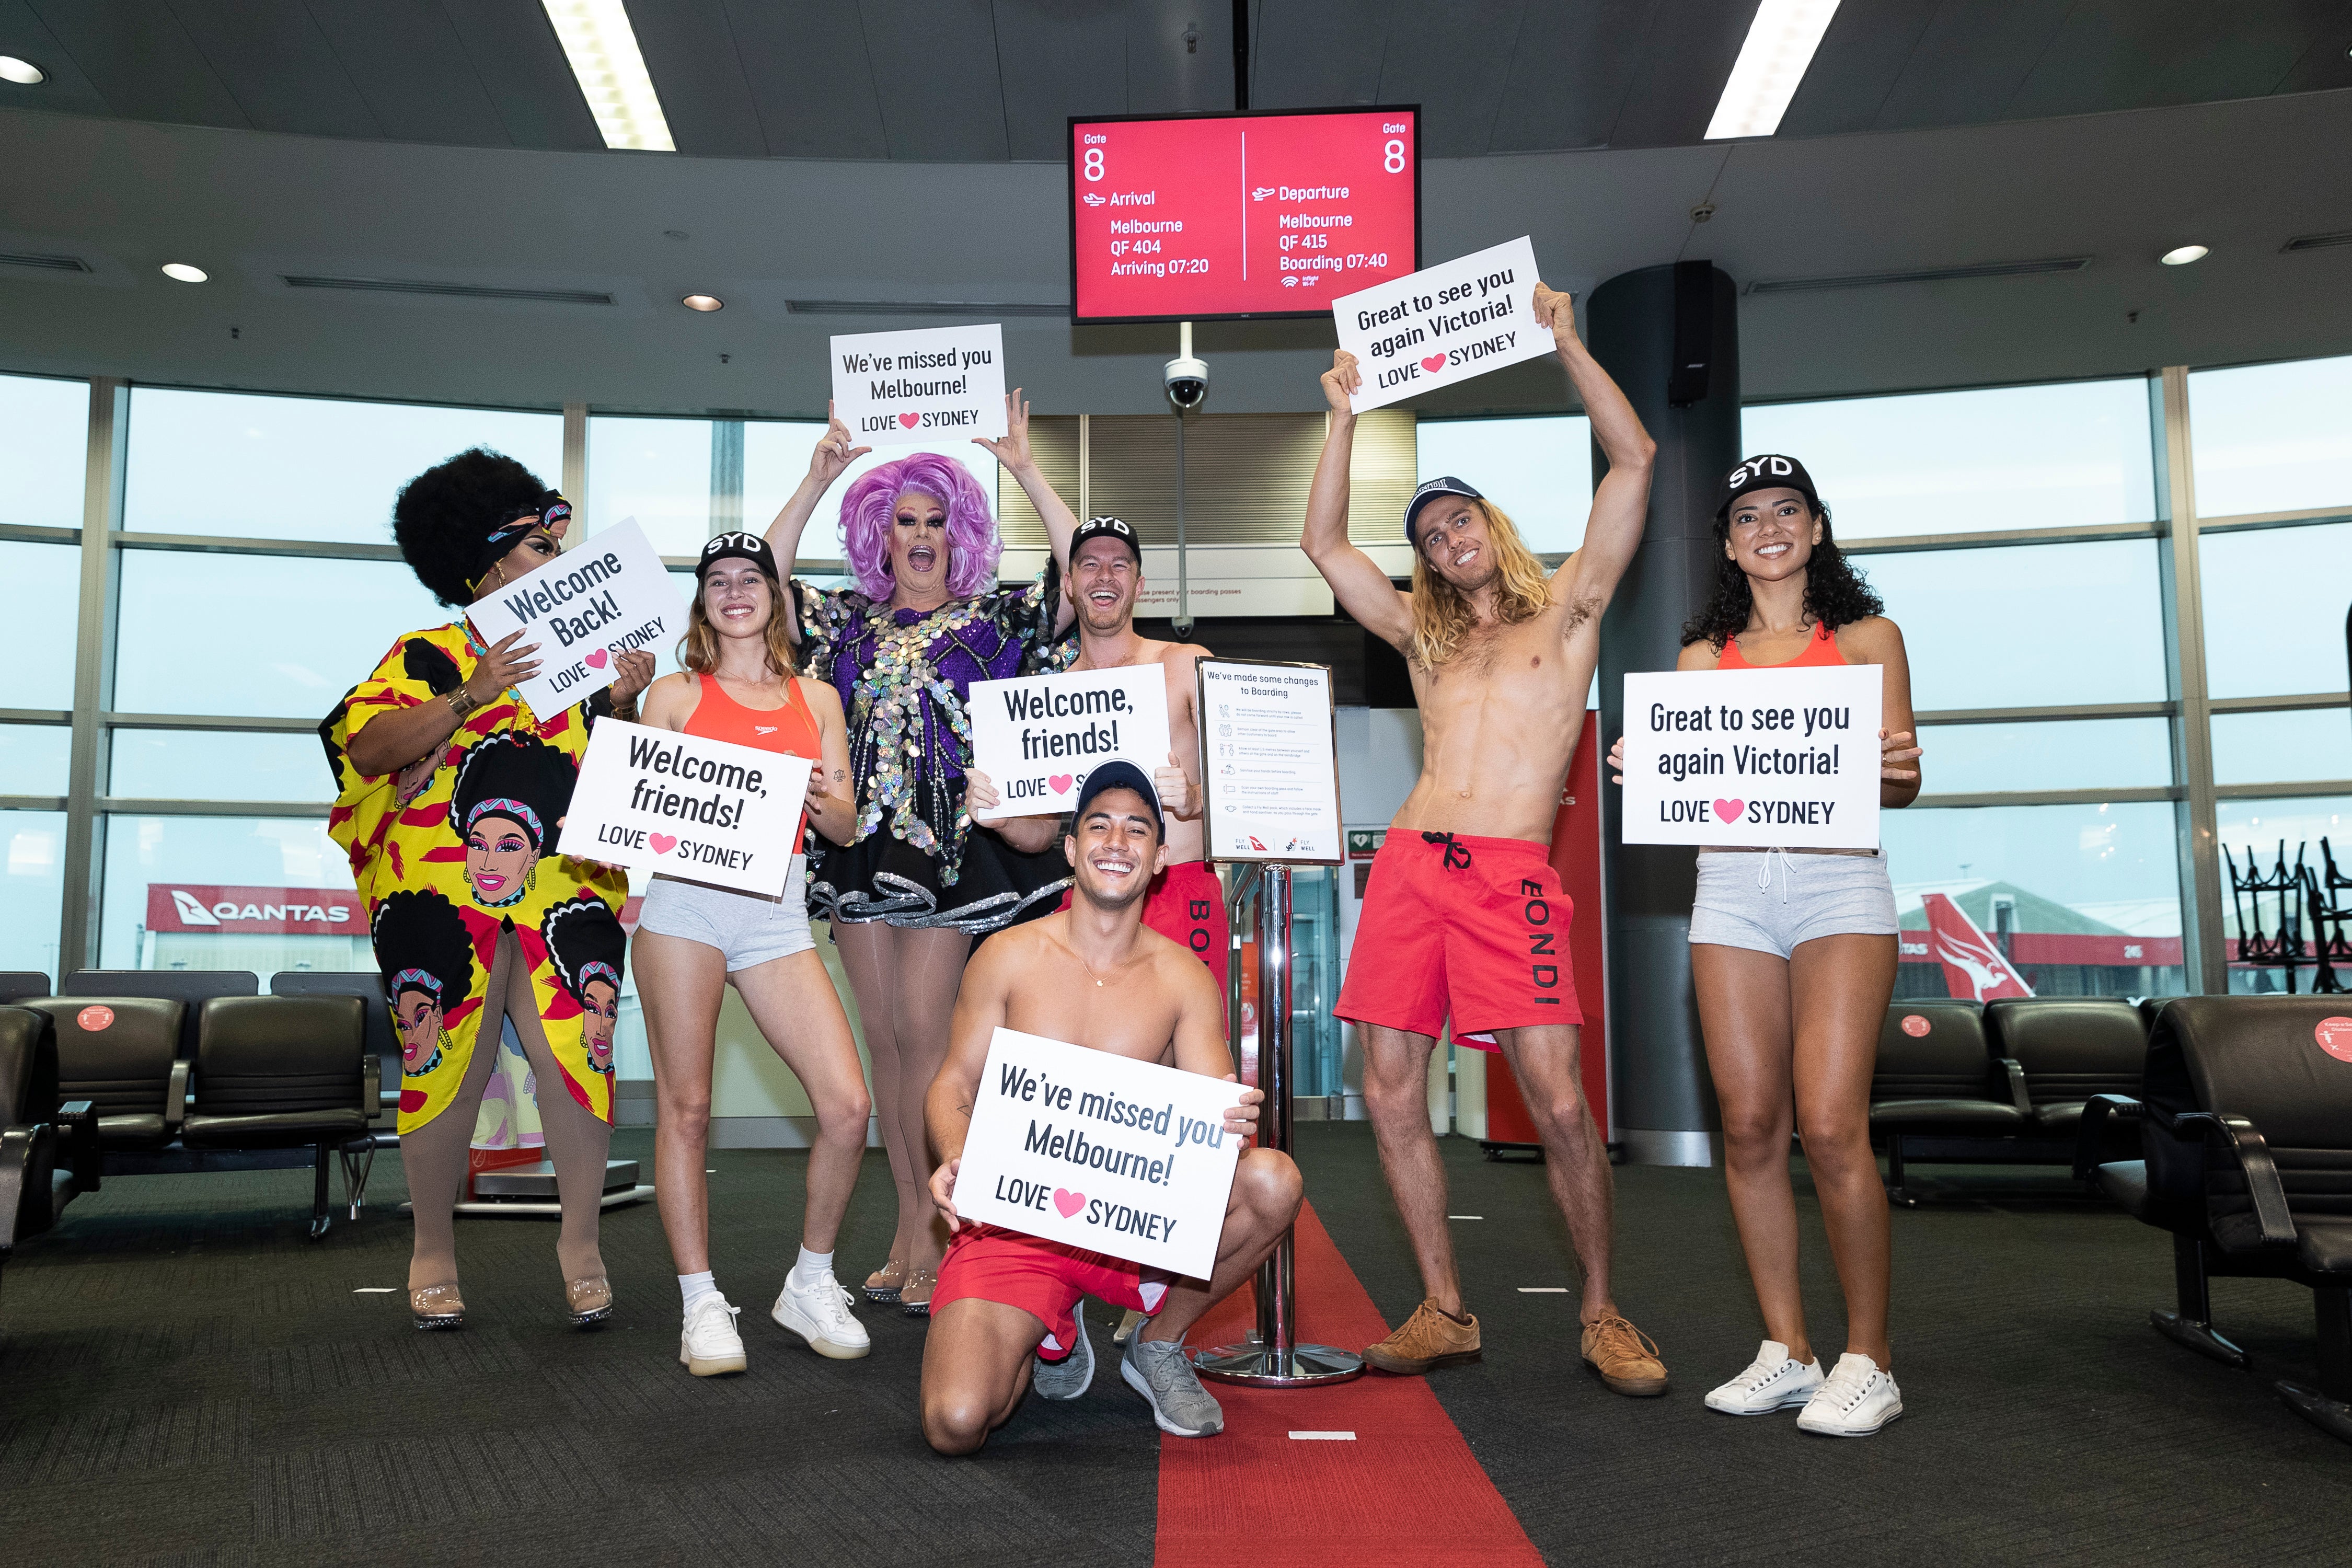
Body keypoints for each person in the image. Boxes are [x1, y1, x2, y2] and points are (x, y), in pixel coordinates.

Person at [1299, 286, 1670, 1394]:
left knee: (1557, 1098)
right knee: (1392, 1087)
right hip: (1413, 866)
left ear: (1490, 525)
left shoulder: (1572, 613)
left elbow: (1638, 460)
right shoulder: (1424, 641)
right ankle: (1444, 1308)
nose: (1444, 540)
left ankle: (1603, 1312)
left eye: (1456, 519)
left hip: (1512, 877)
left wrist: (1565, 343)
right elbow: (1321, 542)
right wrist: (1344, 412)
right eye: (1426, 536)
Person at [1609, 454, 1921, 1437]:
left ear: (1817, 529)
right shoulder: (1703, 659)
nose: (1769, 527)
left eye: (1788, 510)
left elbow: (1903, 782)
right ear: (1731, 544)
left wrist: (1898, 768)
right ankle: (1788, 1349)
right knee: (1748, 1125)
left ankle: (1869, 1360)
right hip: (1734, 887)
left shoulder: (1869, 638)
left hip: (1838, 883)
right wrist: (1643, 766)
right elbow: (1689, 782)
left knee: (1830, 1125)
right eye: (1748, 516)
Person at [322, 450, 655, 1331]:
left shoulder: (589, 664)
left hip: (564, 889)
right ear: (489, 567)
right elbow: (367, 750)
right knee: (447, 1073)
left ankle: (581, 1247)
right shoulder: (425, 653)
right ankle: (432, 1251)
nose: (559, 554)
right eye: (542, 544)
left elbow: (613, 778)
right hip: (440, 891)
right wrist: (473, 692)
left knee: (577, 1066)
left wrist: (621, 705)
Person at [762, 397, 1081, 1315]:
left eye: (938, 521)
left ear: (961, 532)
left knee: (924, 1035)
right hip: (860, 852)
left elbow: (1079, 568)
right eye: (905, 522)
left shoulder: (999, 620)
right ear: (879, 533)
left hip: (955, 859)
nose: (922, 537)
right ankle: (910, 1222)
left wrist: (1023, 468)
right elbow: (761, 578)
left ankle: (945, 1229)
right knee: (886, 1043)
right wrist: (819, 477)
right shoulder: (844, 625)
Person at [917, 762, 1301, 1454]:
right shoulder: (1006, 955)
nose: (1116, 841)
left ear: (1159, 858)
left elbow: (1214, 1108)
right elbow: (953, 1086)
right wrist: (954, 1152)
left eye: (1137, 829)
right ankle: (1049, 1331)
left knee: (1273, 1182)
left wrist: (1230, 1120)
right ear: (1070, 849)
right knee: (957, 1422)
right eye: (1098, 825)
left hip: (1133, 1227)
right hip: (1016, 1223)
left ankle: (1157, 1345)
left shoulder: (1182, 975)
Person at [630, 531, 874, 1376]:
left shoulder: (819, 700)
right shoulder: (670, 694)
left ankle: (810, 1281)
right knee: (687, 1109)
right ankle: (700, 1301)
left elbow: (843, 825)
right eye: (719, 581)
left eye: (752, 578)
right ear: (703, 601)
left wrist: (818, 796)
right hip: (685, 906)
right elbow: (637, 809)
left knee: (847, 1107)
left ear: (777, 596)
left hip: (776, 911)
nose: (737, 591)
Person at [966, 514, 1223, 994]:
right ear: (1068, 584)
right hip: (1089, 895)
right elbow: (1041, 832)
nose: (1104, 577)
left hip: (1181, 887)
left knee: (1184, 1063)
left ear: (1140, 584)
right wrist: (1000, 817)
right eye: (1089, 565)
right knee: (1077, 1057)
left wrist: (1193, 797)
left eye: (1120, 565)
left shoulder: (1186, 663)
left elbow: (1248, 782)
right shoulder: (1049, 701)